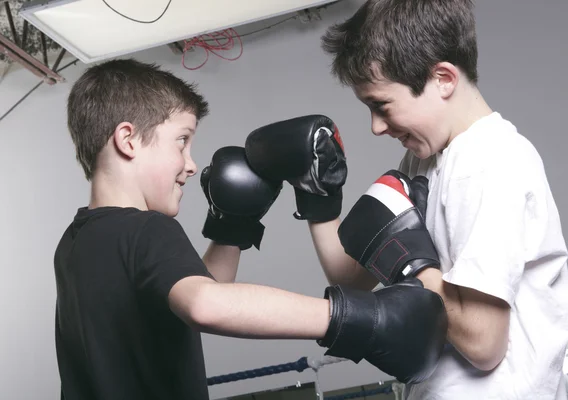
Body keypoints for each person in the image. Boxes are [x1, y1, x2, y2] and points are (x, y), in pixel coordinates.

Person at [53, 58, 449, 400]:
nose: (191, 164)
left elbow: (191, 294)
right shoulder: (147, 230)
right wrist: (359, 318)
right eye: (182, 141)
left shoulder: (75, 243)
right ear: (128, 140)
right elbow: (205, 304)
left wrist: (232, 229)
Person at [241, 0, 568, 399]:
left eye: (382, 105)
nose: (376, 127)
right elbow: (351, 280)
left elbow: (484, 344)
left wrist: (410, 262)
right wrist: (319, 198)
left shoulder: (489, 162)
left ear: (443, 78)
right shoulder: (424, 159)